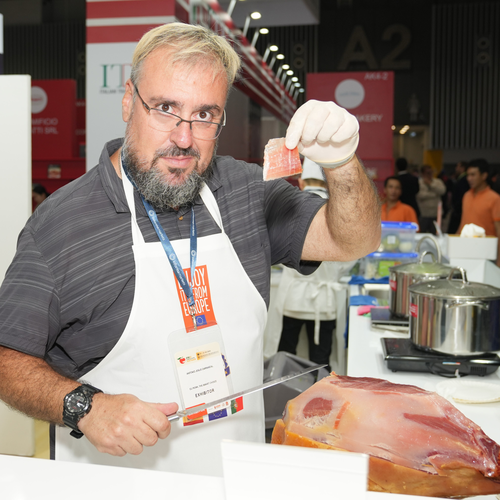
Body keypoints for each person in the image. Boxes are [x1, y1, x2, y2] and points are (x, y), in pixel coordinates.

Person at [0, 23, 380, 476]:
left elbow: (351, 239)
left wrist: (341, 162)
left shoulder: (243, 191)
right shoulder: (62, 224)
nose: (184, 138)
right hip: (111, 482)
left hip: (233, 477)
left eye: (205, 115)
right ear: (128, 100)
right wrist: (84, 406)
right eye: (165, 108)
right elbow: (7, 357)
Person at [276, 159, 355, 371]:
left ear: (300, 182)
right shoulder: (338, 211)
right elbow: (351, 255)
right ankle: (320, 402)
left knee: (286, 357)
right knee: (321, 361)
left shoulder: (288, 206)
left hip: (293, 298)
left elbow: (276, 248)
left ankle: (282, 400)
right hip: (325, 301)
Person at [458, 159, 500, 266]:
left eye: (473, 175)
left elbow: (498, 230)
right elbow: (463, 223)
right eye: (468, 175)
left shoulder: (494, 199)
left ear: (484, 176)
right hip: (465, 251)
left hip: (486, 253)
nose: (469, 178)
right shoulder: (466, 195)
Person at [416, 164, 446, 234]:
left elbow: (442, 191)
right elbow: (420, 195)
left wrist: (430, 184)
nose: (430, 174)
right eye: (428, 173)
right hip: (424, 214)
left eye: (431, 172)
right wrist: (435, 194)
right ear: (423, 173)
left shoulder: (437, 182)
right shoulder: (419, 183)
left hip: (436, 214)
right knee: (422, 234)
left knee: (435, 234)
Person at [447, 161, 469, 234]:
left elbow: (460, 196)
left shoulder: (464, 180)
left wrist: (456, 208)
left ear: (463, 168)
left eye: (458, 167)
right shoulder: (460, 179)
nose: (456, 169)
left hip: (459, 212)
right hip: (458, 211)